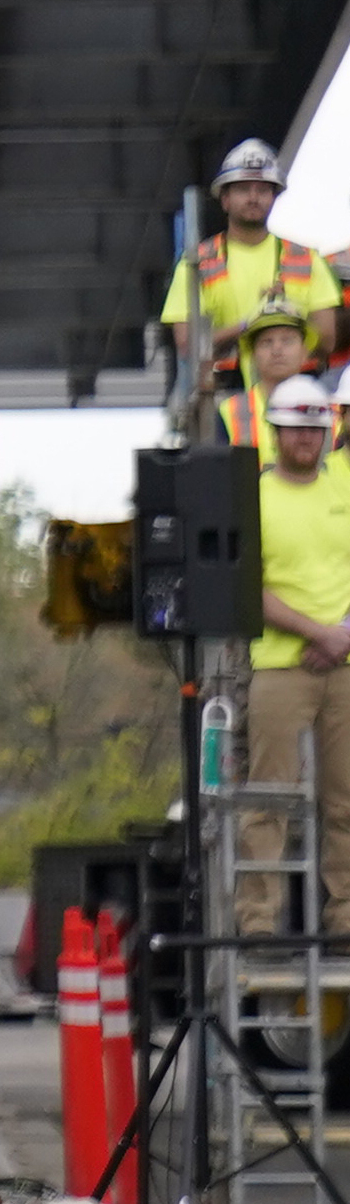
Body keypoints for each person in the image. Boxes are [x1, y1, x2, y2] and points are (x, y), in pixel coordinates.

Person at [250, 374, 350, 940]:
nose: (306, 438)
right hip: (280, 668)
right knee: (268, 798)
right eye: (295, 428)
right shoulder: (255, 498)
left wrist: (343, 636)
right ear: (275, 432)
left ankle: (345, 920)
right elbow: (249, 587)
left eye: (315, 428)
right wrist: (318, 633)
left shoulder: (343, 489)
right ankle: (258, 921)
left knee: (346, 802)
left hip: (345, 666)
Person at [163, 139, 337, 398]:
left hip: (298, 397)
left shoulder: (306, 259)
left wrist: (282, 317)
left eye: (263, 190)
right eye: (244, 189)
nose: (254, 198)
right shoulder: (197, 263)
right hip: (227, 395)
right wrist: (253, 323)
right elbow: (188, 344)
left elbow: (327, 340)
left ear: (274, 197)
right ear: (225, 199)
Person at [215, 298, 320, 455]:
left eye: (287, 341)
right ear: (253, 354)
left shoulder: (329, 410)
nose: (277, 350)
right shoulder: (230, 411)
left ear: (304, 352)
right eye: (266, 342)